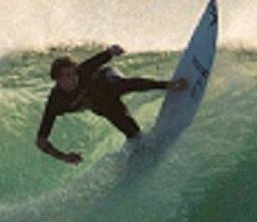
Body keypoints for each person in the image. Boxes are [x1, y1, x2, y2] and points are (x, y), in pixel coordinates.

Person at [36, 44, 185, 164]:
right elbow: (41, 141)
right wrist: (64, 157)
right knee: (133, 133)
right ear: (57, 79)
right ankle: (141, 154)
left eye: (74, 73)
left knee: (120, 85)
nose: (74, 78)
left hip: (106, 79)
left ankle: (170, 85)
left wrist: (112, 51)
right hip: (102, 104)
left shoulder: (82, 71)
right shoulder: (56, 101)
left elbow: (101, 58)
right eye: (67, 76)